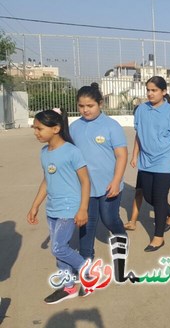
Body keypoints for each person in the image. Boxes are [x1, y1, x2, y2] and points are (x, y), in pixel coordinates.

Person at [28, 109, 90, 304]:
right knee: (61, 252)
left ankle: (89, 272)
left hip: (69, 208)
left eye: (39, 128)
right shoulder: (44, 152)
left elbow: (85, 182)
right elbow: (46, 180)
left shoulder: (72, 151)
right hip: (52, 209)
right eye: (34, 128)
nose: (36, 132)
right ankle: (68, 286)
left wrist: (83, 209)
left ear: (56, 128)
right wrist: (35, 205)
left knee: (58, 248)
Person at [70, 84, 128, 263]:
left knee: (110, 219)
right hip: (85, 186)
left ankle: (121, 239)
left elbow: (121, 155)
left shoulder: (112, 126)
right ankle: (86, 259)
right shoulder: (74, 127)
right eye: (81, 106)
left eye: (90, 106)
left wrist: (116, 181)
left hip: (108, 184)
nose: (85, 110)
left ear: (100, 104)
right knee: (86, 223)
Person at [133, 76, 170, 251]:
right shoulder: (141, 110)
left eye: (154, 90)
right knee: (148, 196)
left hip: (165, 160)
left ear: (163, 92)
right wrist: (135, 155)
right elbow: (138, 134)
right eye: (148, 90)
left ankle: (158, 237)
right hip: (146, 160)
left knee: (159, 197)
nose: (150, 93)